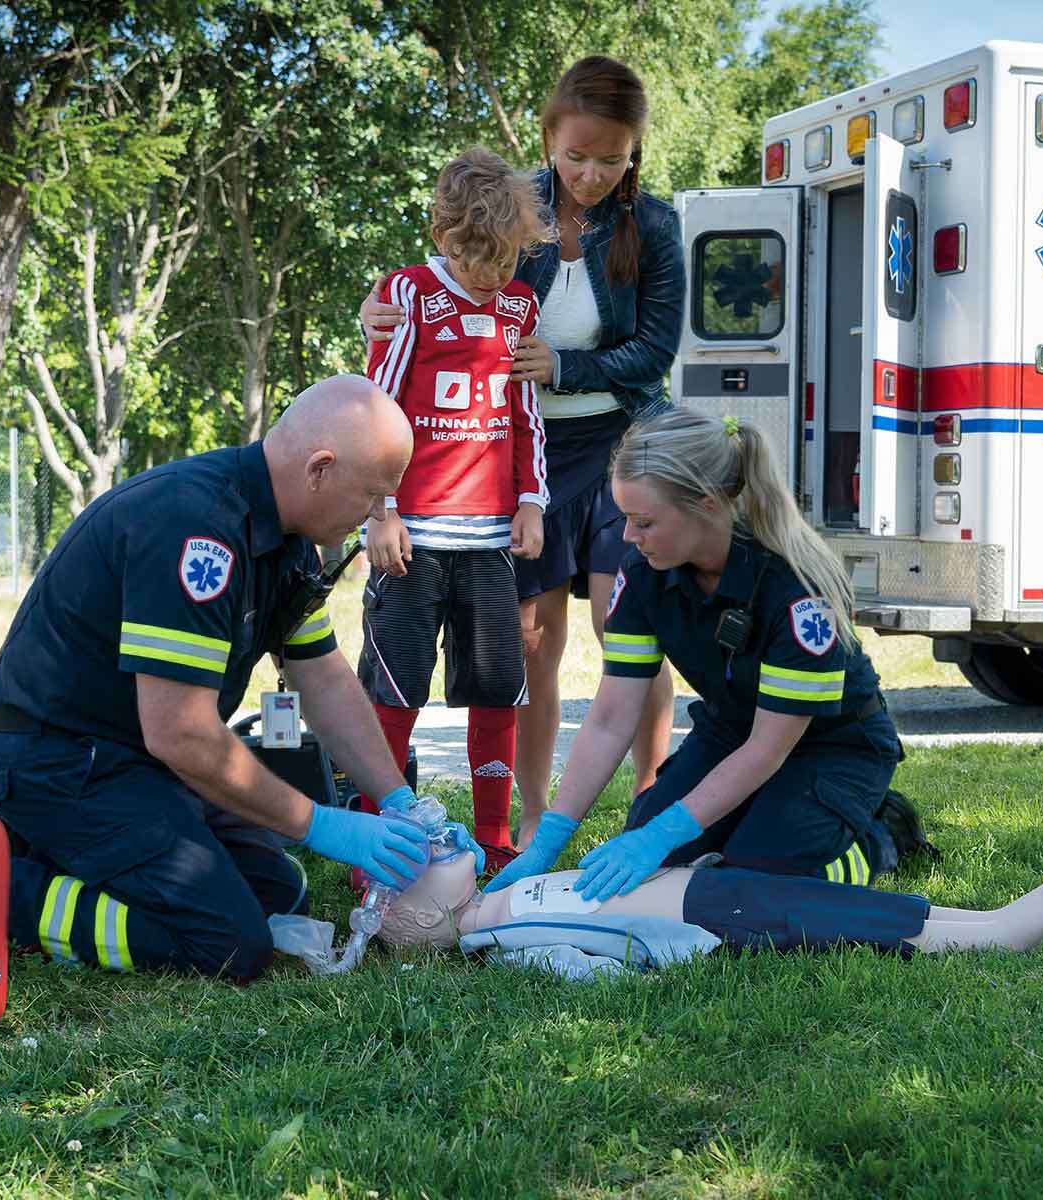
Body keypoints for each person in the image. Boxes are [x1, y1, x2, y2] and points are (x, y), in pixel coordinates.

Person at [0, 376, 481, 983]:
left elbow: (324, 680)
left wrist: (401, 800)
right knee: (227, 943)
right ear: (320, 469)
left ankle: (62, 855)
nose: (376, 515)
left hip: (132, 761)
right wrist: (319, 823)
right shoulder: (195, 530)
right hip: (61, 764)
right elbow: (180, 733)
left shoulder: (288, 544)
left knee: (281, 898)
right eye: (373, 495)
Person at [360, 56, 686, 851]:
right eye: (577, 156)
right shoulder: (513, 208)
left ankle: (652, 802)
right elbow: (445, 279)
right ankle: (530, 815)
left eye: (612, 159)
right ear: (548, 140)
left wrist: (567, 366)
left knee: (625, 620)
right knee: (531, 637)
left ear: (634, 151)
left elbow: (655, 350)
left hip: (619, 437)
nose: (593, 174)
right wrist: (380, 305)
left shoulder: (654, 226)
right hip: (524, 447)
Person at [488, 406, 905, 902]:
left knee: (758, 880)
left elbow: (767, 749)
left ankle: (882, 837)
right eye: (625, 519)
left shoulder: (796, 588)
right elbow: (610, 719)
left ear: (706, 505)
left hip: (830, 746)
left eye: (644, 522)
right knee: (659, 865)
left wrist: (663, 833)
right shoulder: (642, 574)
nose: (627, 536)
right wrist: (550, 837)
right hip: (731, 732)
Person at [357, 146, 551, 872]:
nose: (492, 275)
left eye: (506, 260)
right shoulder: (407, 294)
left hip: (491, 538)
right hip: (412, 537)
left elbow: (526, 415)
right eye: (478, 260)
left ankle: (495, 843)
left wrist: (531, 502)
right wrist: (381, 509)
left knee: (497, 689)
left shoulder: (519, 305)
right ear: (444, 238)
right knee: (396, 691)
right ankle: (374, 849)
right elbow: (376, 409)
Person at [379, 846, 1043, 961]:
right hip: (710, 919)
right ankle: (988, 940)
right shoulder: (500, 940)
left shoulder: (501, 896)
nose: (429, 853)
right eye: (413, 875)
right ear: (423, 918)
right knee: (830, 921)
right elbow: (576, 963)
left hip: (707, 888)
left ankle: (977, 920)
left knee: (831, 897)